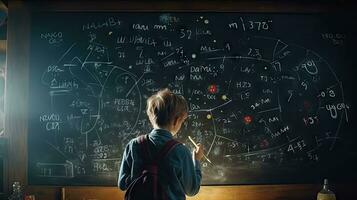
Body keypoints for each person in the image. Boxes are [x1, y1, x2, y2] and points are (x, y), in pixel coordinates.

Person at [118, 88, 204, 200]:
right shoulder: (181, 151)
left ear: (151, 117)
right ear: (176, 120)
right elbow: (191, 190)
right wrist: (196, 160)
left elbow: (122, 184)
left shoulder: (133, 145)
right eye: (182, 121)